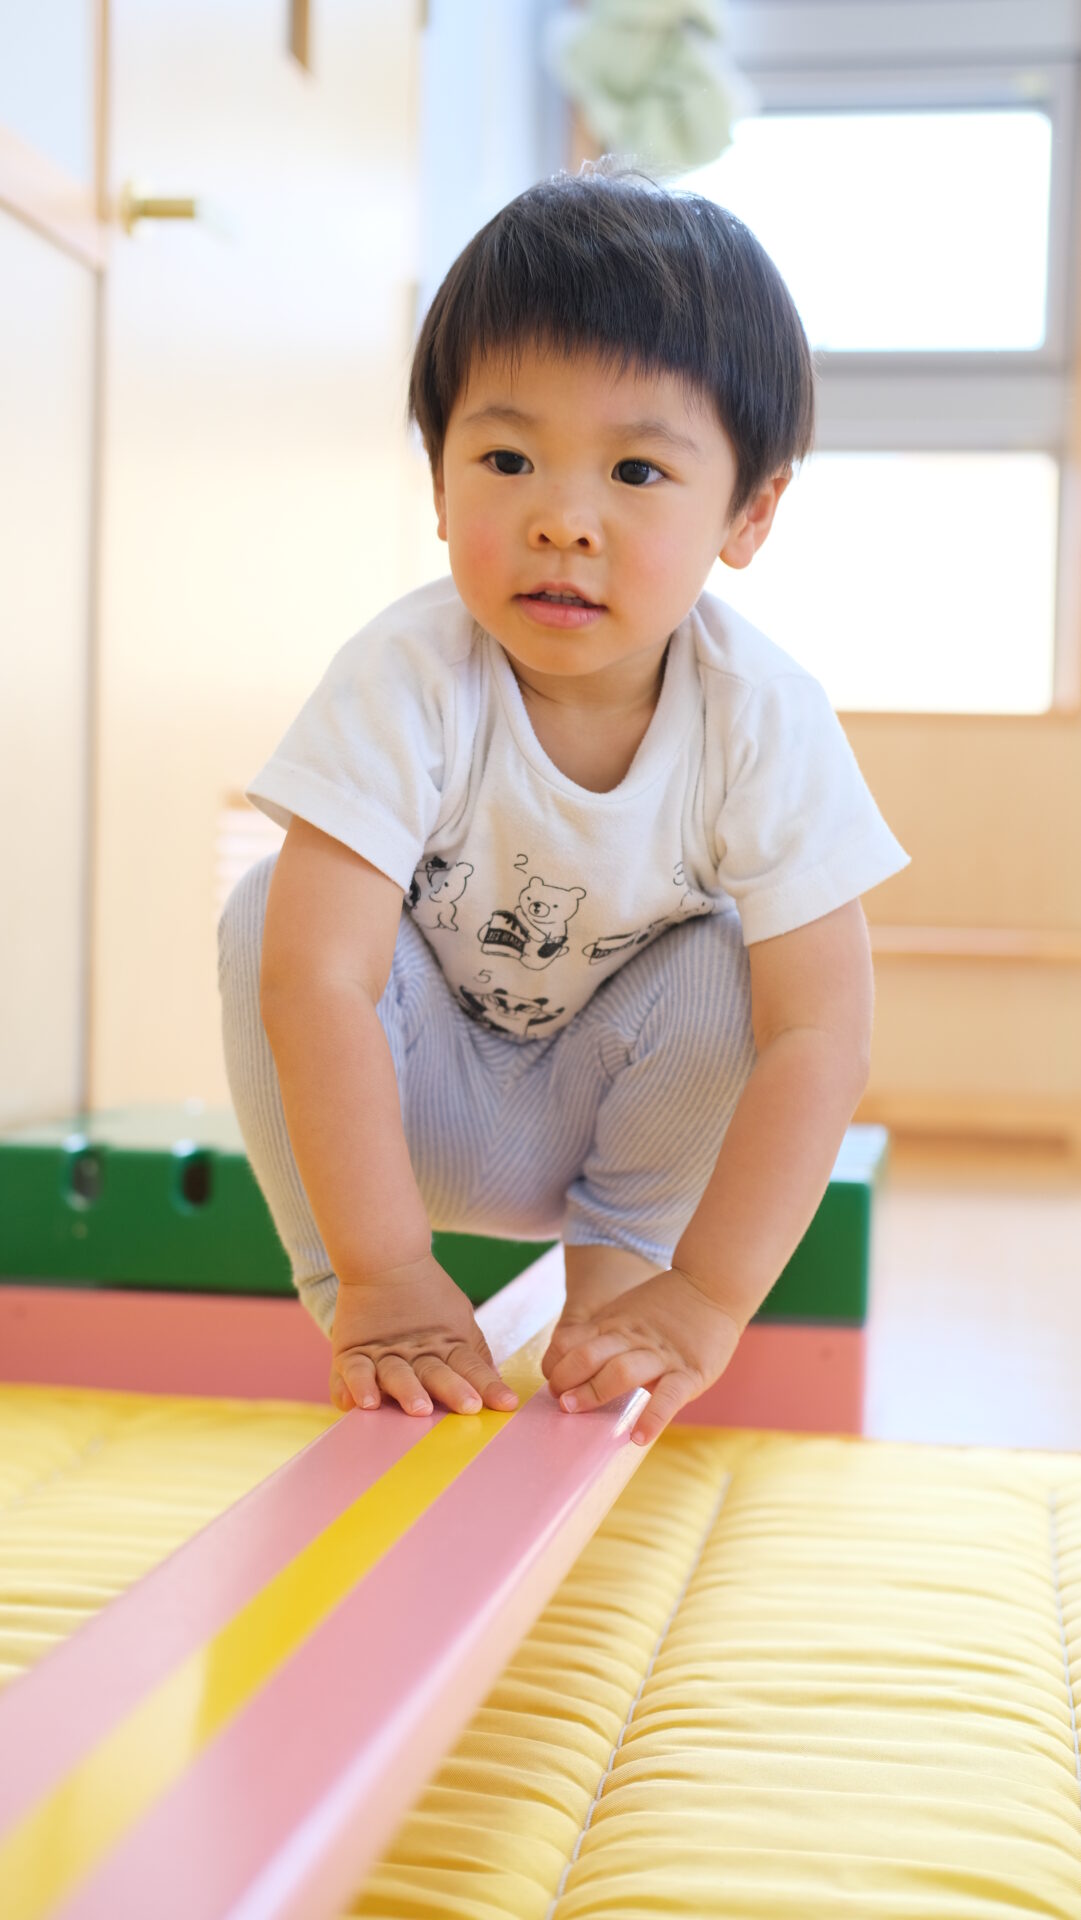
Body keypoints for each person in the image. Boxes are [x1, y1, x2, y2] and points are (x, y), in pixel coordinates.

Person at [218, 159, 908, 1448]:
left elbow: (825, 1036)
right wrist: (384, 1270)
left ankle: (624, 1281)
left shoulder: (760, 714)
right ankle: (359, 1284)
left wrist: (705, 1298)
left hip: (613, 1114)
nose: (562, 520)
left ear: (748, 514)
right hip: (403, 1107)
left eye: (637, 473)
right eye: (507, 456)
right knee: (273, 912)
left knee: (736, 962)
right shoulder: (408, 675)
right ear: (438, 483)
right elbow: (317, 981)